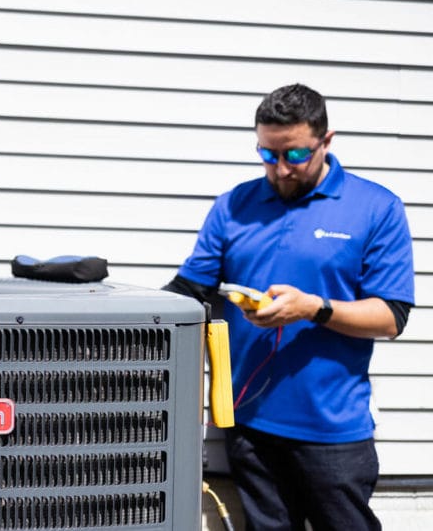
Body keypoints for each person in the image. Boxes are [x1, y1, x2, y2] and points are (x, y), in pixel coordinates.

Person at [163, 83, 415, 530]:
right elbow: (188, 291)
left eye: (295, 155)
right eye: (267, 153)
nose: (280, 169)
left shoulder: (376, 208)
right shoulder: (234, 206)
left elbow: (391, 316)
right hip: (250, 427)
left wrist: (313, 308)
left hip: (332, 432)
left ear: (327, 141)